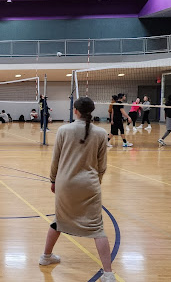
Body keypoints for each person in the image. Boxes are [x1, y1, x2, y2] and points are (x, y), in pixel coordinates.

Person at [39, 97, 116, 282]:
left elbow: (55, 160)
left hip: (65, 184)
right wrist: (95, 182)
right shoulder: (101, 133)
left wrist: (53, 180)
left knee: (59, 221)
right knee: (97, 228)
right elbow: (102, 165)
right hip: (89, 184)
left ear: (75, 110)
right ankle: (108, 274)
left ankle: (46, 257)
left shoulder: (63, 130)